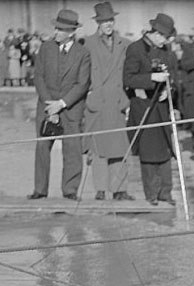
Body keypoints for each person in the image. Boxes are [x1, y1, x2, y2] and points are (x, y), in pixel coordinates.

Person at [28, 9, 90, 201]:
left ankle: (70, 191)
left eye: (60, 30)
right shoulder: (46, 48)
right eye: (56, 28)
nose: (56, 32)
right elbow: (38, 77)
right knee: (42, 148)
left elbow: (83, 84)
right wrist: (50, 106)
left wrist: (62, 104)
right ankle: (40, 190)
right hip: (46, 107)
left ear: (71, 32)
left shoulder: (83, 53)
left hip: (71, 108)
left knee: (72, 149)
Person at [123, 13, 179, 205]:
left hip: (161, 106)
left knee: (165, 151)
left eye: (167, 37)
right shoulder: (135, 49)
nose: (165, 40)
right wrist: (151, 79)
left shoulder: (166, 51)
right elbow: (128, 79)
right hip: (144, 108)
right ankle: (152, 195)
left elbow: (173, 76)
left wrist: (169, 90)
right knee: (148, 154)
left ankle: (166, 193)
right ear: (154, 33)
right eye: (163, 36)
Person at [83, 2, 132, 201]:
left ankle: (119, 189)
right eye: (104, 21)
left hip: (117, 100)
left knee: (119, 147)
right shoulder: (88, 44)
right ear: (98, 23)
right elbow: (83, 74)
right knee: (99, 149)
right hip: (98, 101)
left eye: (110, 20)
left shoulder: (125, 44)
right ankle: (101, 190)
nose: (108, 24)